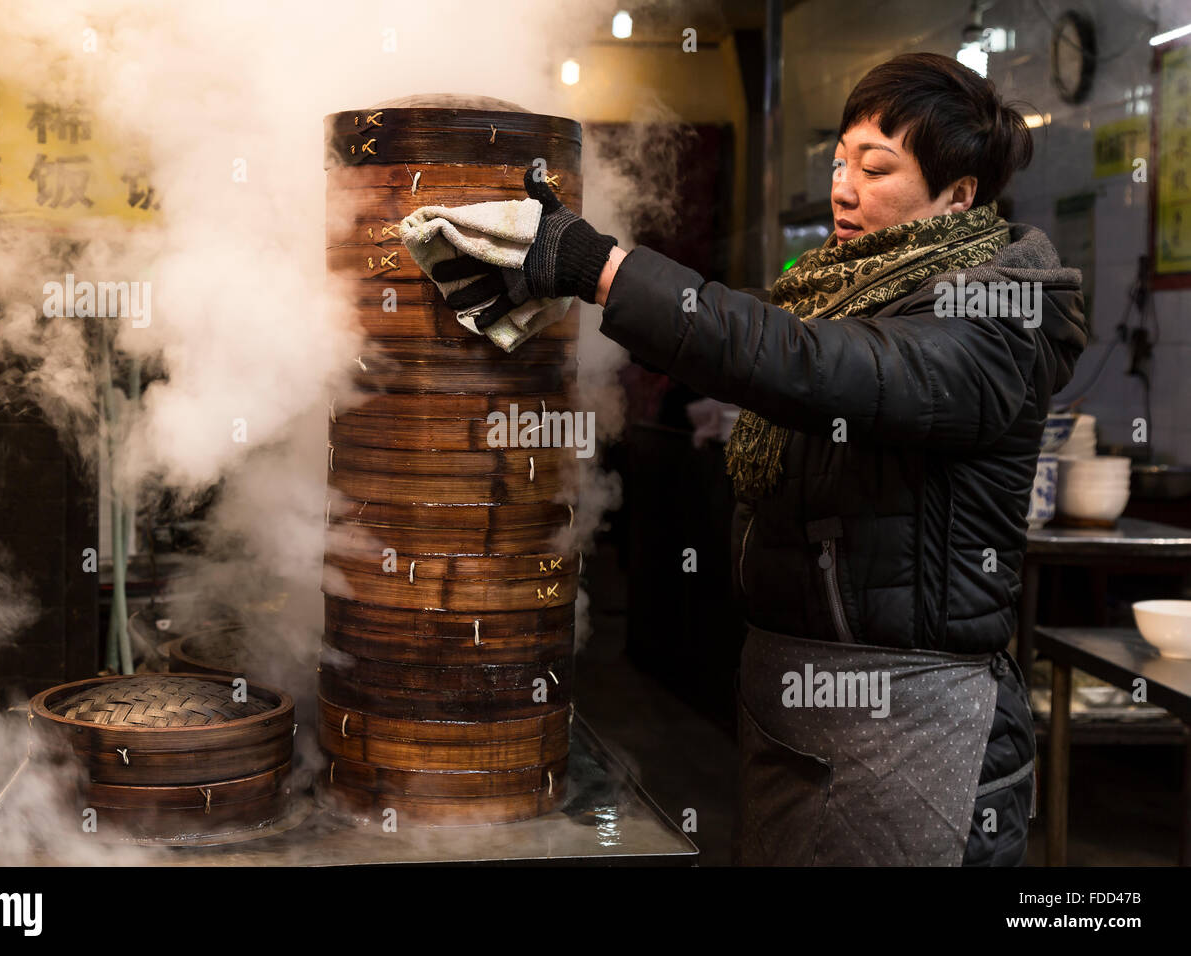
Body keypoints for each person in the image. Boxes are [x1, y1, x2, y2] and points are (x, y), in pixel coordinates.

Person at [435, 52, 1088, 865]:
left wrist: (602, 269)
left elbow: (820, 367)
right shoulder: (847, 286)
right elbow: (778, 342)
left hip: (913, 728)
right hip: (793, 707)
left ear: (959, 194)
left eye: (876, 167)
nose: (843, 187)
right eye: (841, 159)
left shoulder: (998, 316)